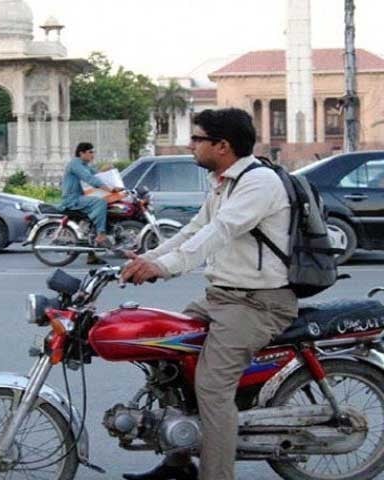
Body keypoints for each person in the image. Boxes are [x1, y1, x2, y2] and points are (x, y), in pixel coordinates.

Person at [121, 108, 297, 480]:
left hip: (257, 304)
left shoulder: (258, 182)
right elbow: (192, 230)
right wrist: (146, 259)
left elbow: (219, 232)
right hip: (221, 298)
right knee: (167, 361)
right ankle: (178, 463)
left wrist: (165, 268)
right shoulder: (225, 182)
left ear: (222, 145)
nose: (191, 145)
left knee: (212, 387)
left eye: (197, 139)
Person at [60, 142, 122, 255]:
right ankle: (101, 235)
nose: (93, 155)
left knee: (107, 204)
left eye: (93, 152)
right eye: (90, 152)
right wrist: (109, 189)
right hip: (72, 199)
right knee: (100, 202)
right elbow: (89, 179)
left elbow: (97, 175)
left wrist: (107, 171)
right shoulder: (75, 164)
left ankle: (92, 255)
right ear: (81, 153)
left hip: (80, 197)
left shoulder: (85, 165)